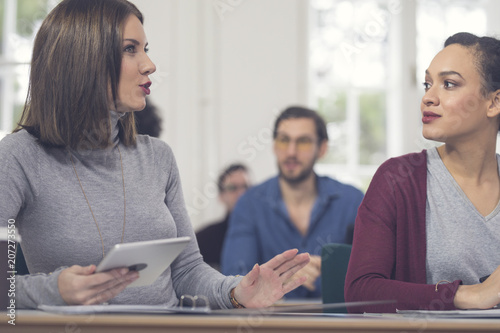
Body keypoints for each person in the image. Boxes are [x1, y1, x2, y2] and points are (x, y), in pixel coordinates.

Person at [0, 0, 310, 310]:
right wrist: (53, 289)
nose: (150, 65)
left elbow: (187, 272)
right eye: (130, 49)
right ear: (84, 57)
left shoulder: (157, 157)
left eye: (145, 48)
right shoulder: (20, 156)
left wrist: (236, 292)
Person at [345, 32, 500, 313]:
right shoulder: (397, 179)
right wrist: (471, 295)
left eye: (448, 84)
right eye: (428, 84)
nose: (428, 97)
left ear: (494, 103)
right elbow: (360, 292)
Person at [221, 106, 364, 299]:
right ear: (274, 145)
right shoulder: (249, 205)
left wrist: (335, 270)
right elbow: (234, 280)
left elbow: (372, 274)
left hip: (337, 325)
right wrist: (281, 278)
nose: (291, 152)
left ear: (322, 148)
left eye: (303, 142)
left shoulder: (352, 201)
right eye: (283, 140)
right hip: (269, 326)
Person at [196, 163, 250, 270]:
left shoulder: (268, 234)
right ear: (221, 196)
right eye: (232, 188)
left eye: (246, 187)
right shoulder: (204, 240)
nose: (241, 193)